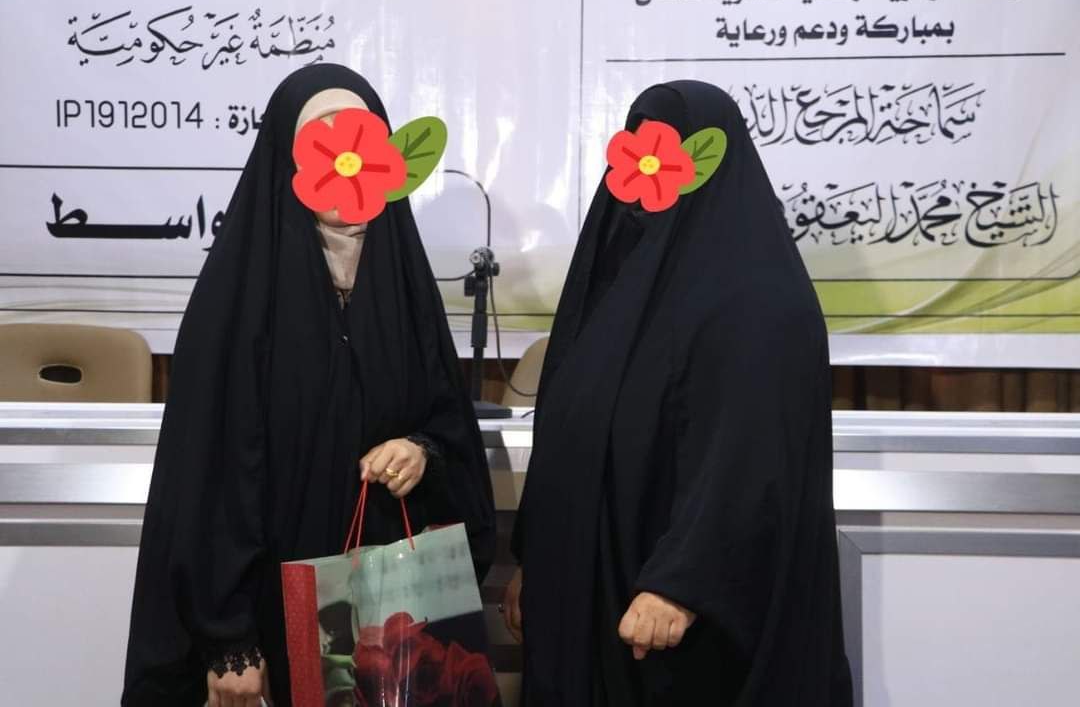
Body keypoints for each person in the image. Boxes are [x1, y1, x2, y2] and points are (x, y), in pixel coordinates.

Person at [123, 64, 496, 707]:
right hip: (265, 610)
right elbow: (209, 476)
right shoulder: (238, 299)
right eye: (321, 140)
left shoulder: (403, 286)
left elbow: (446, 423)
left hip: (386, 616)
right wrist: (229, 639)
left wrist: (420, 450)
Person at [503, 81, 853, 706]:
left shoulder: (762, 303)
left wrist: (682, 583)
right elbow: (567, 427)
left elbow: (754, 463)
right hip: (587, 598)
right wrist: (536, 559)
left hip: (679, 626)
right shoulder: (614, 288)